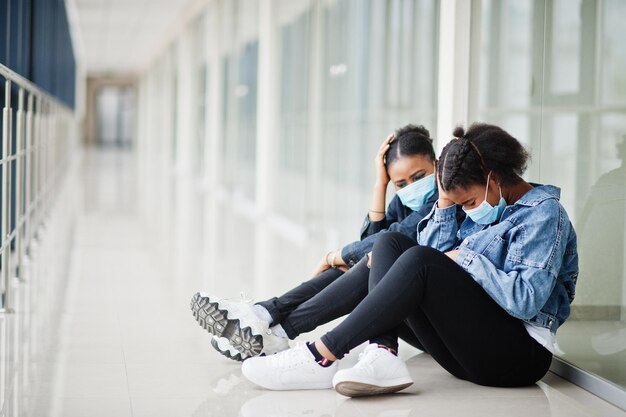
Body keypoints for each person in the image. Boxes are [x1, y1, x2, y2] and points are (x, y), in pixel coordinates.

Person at [240, 123, 579, 398]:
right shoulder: (483, 200)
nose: (468, 211)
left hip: (517, 358)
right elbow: (431, 250)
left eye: (470, 201)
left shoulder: (543, 215)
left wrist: (467, 258)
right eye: (459, 204)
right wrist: (445, 204)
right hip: (466, 350)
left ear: (495, 176)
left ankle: (320, 354)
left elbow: (524, 301)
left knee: (417, 261)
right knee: (390, 244)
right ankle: (382, 354)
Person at [191, 124, 447, 361]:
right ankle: (271, 326)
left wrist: (333, 256)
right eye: (400, 183)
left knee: (363, 265)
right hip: (406, 312)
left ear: (436, 165)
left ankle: (267, 320)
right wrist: (380, 184)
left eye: (419, 176)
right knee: (362, 264)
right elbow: (371, 242)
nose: (411, 187)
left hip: (439, 328)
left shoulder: (445, 201)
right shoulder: (402, 201)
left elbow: (386, 243)